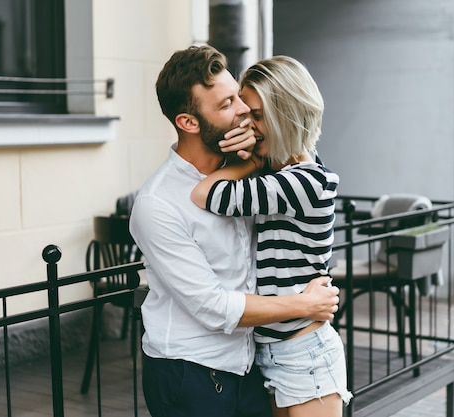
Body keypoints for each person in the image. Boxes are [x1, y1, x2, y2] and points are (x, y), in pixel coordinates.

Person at [129, 45, 340, 417]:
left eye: (239, 99)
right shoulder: (157, 205)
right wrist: (305, 305)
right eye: (228, 104)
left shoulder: (254, 174)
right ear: (189, 123)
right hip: (192, 375)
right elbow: (213, 306)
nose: (243, 110)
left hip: (253, 365)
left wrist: (256, 159)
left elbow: (307, 174)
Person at [191, 56, 352, 417]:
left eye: (258, 116)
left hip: (303, 354)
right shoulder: (285, 175)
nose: (249, 124)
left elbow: (206, 194)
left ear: (287, 115)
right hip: (276, 351)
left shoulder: (301, 182)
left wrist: (246, 164)